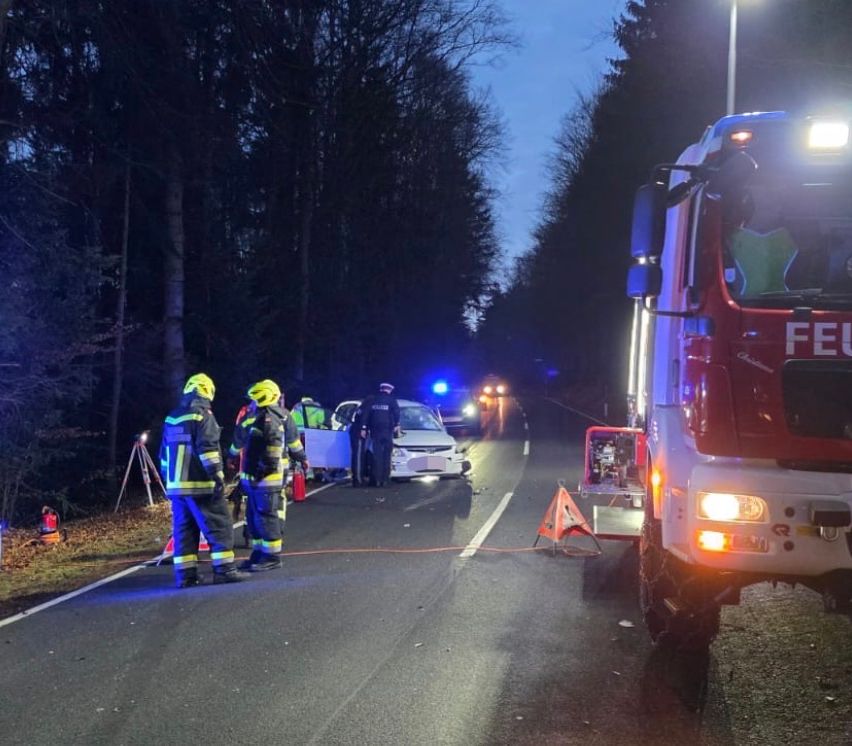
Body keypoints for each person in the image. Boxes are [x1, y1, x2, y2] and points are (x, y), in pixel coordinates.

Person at [159, 373, 248, 587]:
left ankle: (186, 576)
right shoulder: (203, 416)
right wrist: (217, 477)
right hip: (201, 486)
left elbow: (163, 455)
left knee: (184, 531)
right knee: (219, 526)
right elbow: (208, 450)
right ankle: (225, 570)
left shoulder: (172, 417)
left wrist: (168, 482)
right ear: (208, 393)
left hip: (176, 488)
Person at [240, 379, 309, 571]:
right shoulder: (253, 416)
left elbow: (293, 444)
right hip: (252, 476)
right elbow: (238, 442)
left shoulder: (280, 418)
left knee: (267, 515)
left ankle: (271, 556)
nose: (251, 403)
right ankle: (258, 553)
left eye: (255, 399)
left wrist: (302, 459)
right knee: (254, 516)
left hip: (269, 477)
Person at [361, 382, 400, 487]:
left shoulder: (373, 399)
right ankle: (385, 480)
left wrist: (364, 428)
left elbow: (366, 414)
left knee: (377, 456)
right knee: (387, 456)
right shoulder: (391, 400)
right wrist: (397, 424)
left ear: (381, 389)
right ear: (389, 390)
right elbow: (397, 412)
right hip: (387, 431)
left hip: (375, 432)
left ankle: (377, 480)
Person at [348, 403, 366, 487]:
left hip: (357, 431)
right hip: (358, 433)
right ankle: (358, 480)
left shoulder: (363, 407)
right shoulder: (366, 408)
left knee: (358, 456)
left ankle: (359, 478)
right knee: (358, 457)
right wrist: (364, 428)